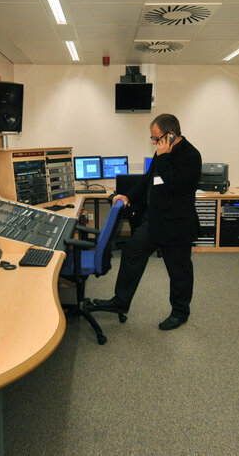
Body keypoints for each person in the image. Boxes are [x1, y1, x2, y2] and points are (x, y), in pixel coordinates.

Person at [91, 113, 202, 330]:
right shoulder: (161, 153)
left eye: (156, 138)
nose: (153, 142)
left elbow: (174, 184)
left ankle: (180, 312)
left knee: (179, 271)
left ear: (170, 135)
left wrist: (163, 156)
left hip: (177, 225)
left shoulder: (191, 156)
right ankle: (121, 301)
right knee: (132, 253)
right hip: (156, 222)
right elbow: (147, 180)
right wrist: (128, 195)